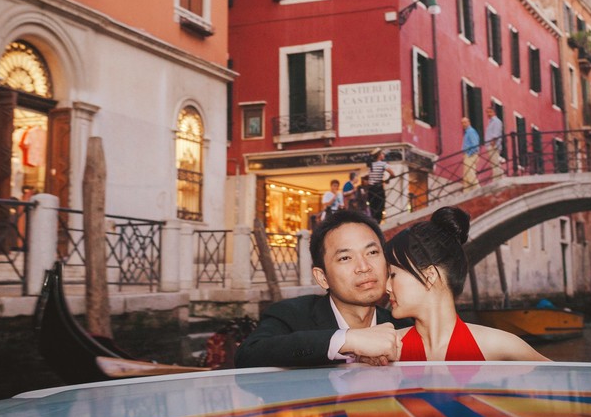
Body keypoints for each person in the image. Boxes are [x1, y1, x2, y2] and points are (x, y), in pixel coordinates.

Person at [234, 209, 410, 368]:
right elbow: (249, 355)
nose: (364, 267)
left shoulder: (400, 326)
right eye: (345, 258)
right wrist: (347, 340)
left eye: (372, 253)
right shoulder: (291, 316)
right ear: (322, 277)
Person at [382, 206, 549, 362]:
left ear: (429, 276)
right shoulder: (386, 349)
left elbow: (567, 384)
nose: (386, 287)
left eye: (393, 275)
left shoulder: (501, 347)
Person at [367, 148, 393, 223]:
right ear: (379, 155)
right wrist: (388, 179)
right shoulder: (383, 164)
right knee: (380, 207)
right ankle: (378, 222)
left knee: (373, 208)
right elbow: (392, 174)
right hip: (378, 189)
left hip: (370, 189)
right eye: (382, 154)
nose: (383, 155)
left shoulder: (371, 164)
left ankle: (374, 222)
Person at [484, 106, 504, 180]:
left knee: (495, 164)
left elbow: (496, 133)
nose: (488, 114)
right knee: (494, 164)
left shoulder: (496, 121)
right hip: (490, 145)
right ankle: (499, 177)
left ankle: (497, 179)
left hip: (493, 145)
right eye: (487, 112)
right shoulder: (491, 122)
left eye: (490, 112)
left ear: (494, 112)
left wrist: (493, 143)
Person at [461, 117, 480, 191]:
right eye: (462, 123)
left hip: (470, 155)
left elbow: (475, 145)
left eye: (465, 122)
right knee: (466, 176)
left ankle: (478, 190)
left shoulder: (471, 131)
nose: (463, 124)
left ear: (469, 122)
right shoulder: (467, 132)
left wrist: (469, 154)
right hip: (468, 155)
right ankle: (466, 194)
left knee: (469, 174)